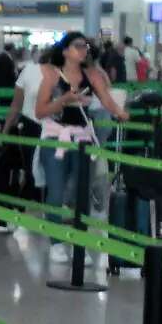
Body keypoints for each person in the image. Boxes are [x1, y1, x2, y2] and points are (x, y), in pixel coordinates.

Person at [33, 31, 128, 259]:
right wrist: (64, 100)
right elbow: (40, 111)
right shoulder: (52, 76)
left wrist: (120, 112)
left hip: (83, 138)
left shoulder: (92, 74)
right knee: (55, 191)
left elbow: (106, 99)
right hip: (55, 137)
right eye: (78, 46)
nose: (83, 50)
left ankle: (79, 242)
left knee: (80, 191)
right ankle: (56, 242)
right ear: (65, 50)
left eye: (86, 46)